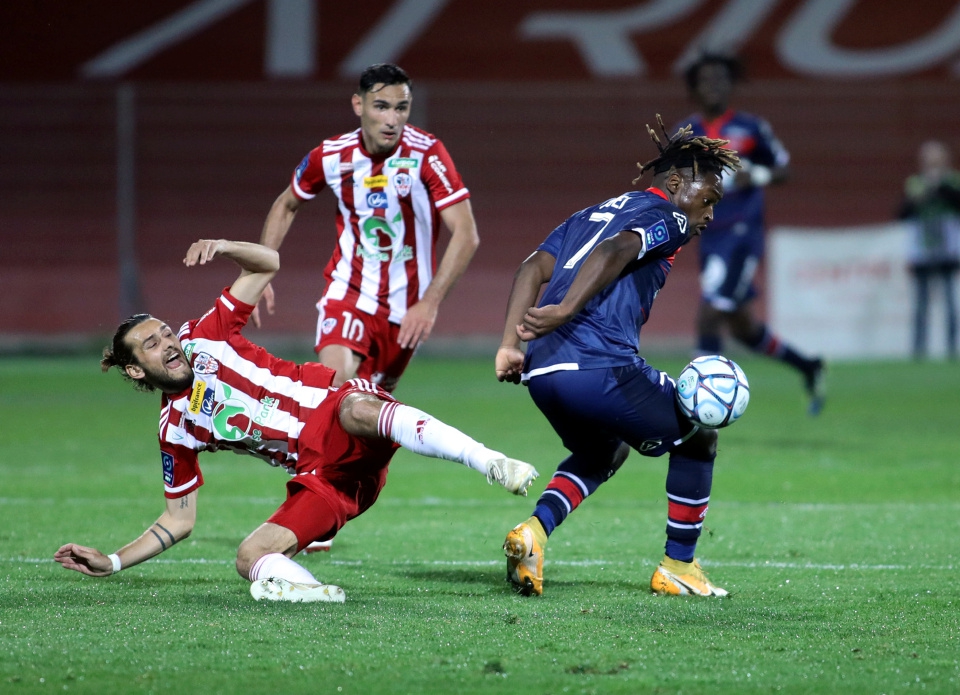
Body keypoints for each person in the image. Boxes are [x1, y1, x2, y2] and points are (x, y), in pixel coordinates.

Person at [54, 239, 537, 603]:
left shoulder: (205, 335)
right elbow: (179, 520)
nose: (168, 344)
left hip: (336, 413)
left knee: (356, 407)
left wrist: (224, 247)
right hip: (325, 479)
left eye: (164, 333)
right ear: (136, 371)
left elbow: (267, 263)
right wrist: (113, 561)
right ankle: (314, 595)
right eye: (152, 345)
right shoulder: (175, 428)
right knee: (249, 558)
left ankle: (491, 461)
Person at [495, 120, 738, 598]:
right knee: (698, 436)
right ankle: (678, 566)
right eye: (708, 198)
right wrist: (566, 309)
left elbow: (532, 267)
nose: (709, 214)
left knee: (605, 449)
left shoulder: (590, 213)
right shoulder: (671, 217)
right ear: (675, 183)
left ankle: (534, 533)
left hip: (542, 372)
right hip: (598, 365)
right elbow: (619, 248)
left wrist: (509, 345)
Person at [259, 62, 479, 552]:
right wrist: (264, 268)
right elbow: (287, 203)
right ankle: (305, 510)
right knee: (333, 390)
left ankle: (331, 501)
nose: (392, 118)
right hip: (349, 293)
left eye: (401, 108)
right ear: (358, 105)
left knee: (367, 421)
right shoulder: (331, 156)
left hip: (404, 315)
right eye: (381, 106)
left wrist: (429, 302)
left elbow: (466, 233)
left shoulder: (427, 154)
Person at [674, 53, 825, 415]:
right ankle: (809, 366)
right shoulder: (685, 133)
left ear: (731, 85)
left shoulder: (751, 128)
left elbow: (784, 169)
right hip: (710, 235)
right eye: (706, 79)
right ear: (694, 87)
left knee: (710, 312)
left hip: (742, 233)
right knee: (743, 327)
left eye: (720, 78)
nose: (714, 85)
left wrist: (755, 174)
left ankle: (693, 408)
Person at [898, 140, 960, 360]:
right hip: (922, 250)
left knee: (950, 302)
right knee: (921, 304)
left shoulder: (955, 181)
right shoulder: (915, 182)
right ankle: (919, 349)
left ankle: (953, 349)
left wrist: (938, 185)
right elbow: (902, 212)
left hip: (948, 250)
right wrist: (920, 196)